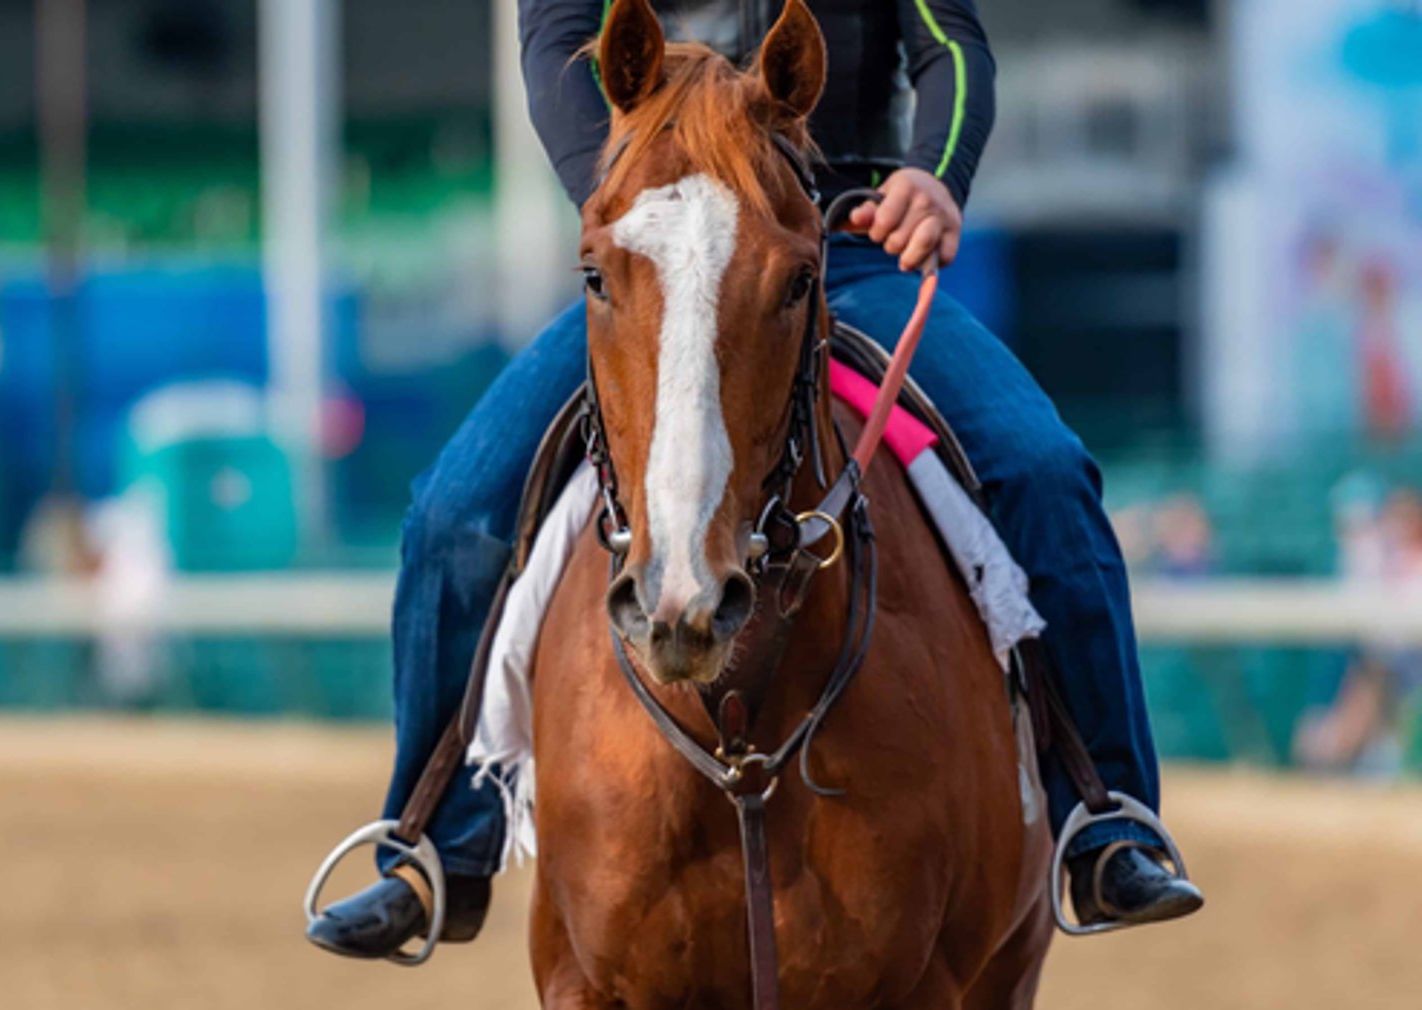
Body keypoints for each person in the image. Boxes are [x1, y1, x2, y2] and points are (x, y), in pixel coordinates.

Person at [307, 0, 1202, 958]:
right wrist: (625, 187)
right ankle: (436, 843)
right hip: (659, 245)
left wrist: (935, 181)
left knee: (1042, 467)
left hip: (838, 241)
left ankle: (1106, 818)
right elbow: (556, 40)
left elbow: (948, 45)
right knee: (455, 512)